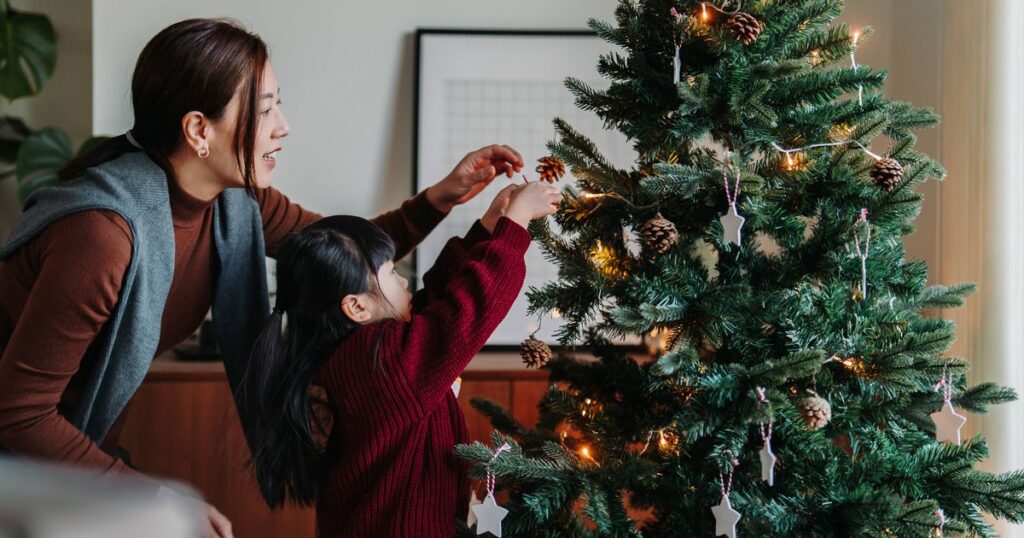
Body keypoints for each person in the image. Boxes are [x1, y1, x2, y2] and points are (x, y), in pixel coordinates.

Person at [0, 18, 524, 538]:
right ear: (199, 130)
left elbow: (340, 257)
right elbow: (19, 413)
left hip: (67, 454)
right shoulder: (104, 235)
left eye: (279, 103)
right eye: (265, 107)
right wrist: (143, 493)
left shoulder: (234, 200)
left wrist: (441, 196)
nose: (283, 125)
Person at [237, 179, 559, 537]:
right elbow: (467, 309)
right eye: (391, 273)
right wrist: (515, 224)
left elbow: (433, 303)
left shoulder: (361, 350)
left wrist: (487, 228)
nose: (404, 282)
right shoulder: (386, 361)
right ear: (357, 307)